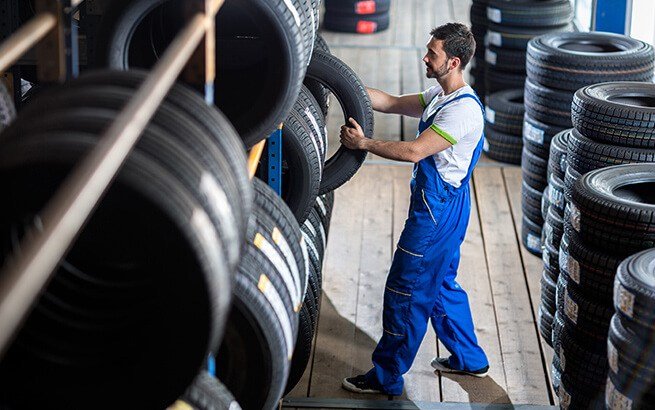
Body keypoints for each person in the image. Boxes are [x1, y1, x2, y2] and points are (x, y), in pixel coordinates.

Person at [339, 23, 489, 396]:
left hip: (437, 212)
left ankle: (386, 376)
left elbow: (414, 151)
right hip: (445, 205)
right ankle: (471, 359)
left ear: (453, 62)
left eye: (432, 53)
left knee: (406, 289)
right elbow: (389, 102)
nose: (425, 57)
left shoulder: (463, 112)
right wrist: (339, 83)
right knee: (439, 285)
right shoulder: (440, 95)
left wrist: (364, 144)